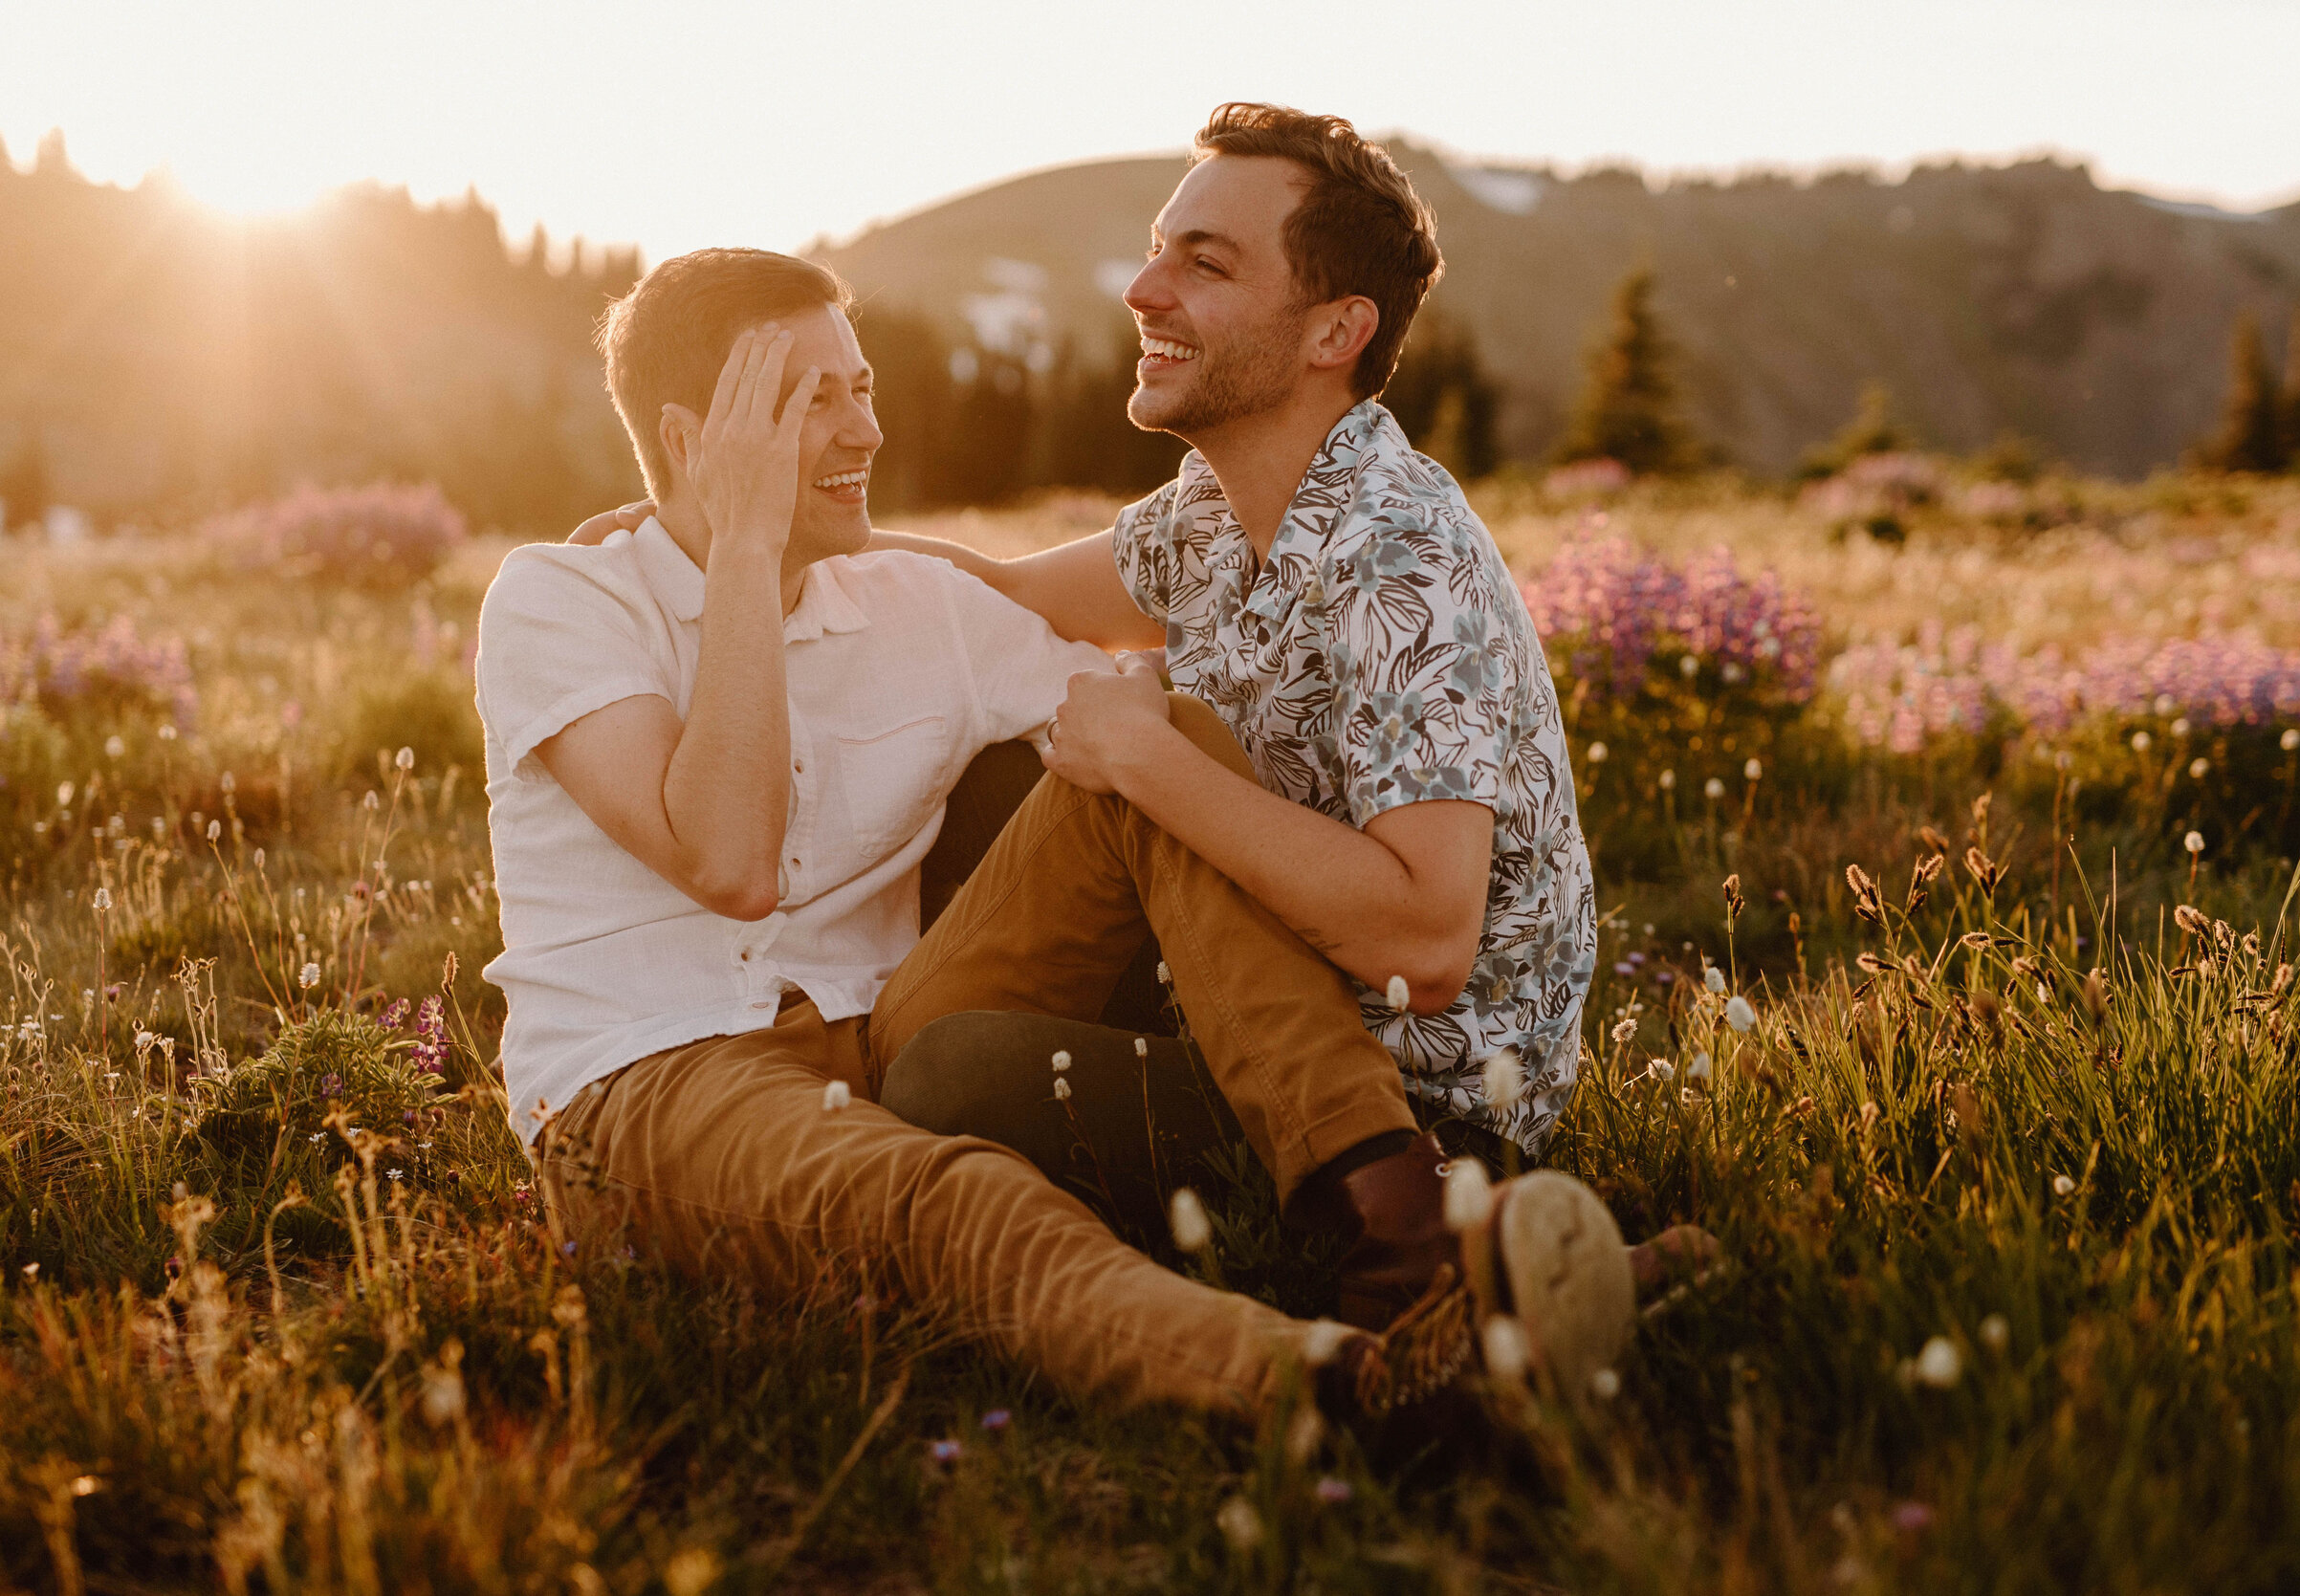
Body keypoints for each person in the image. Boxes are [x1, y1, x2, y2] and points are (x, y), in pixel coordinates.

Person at [480, 245, 1637, 1437]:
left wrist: (1152, 730)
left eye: (862, 387)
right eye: (807, 400)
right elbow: (728, 864)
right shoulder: (559, 605)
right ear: (692, 441)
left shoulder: (912, 608)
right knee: (958, 1203)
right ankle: (1343, 1390)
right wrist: (731, 547)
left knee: (1150, 760)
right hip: (655, 1081)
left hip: (887, 1029)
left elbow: (1136, 715)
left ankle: (1391, 1212)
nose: (862, 430)